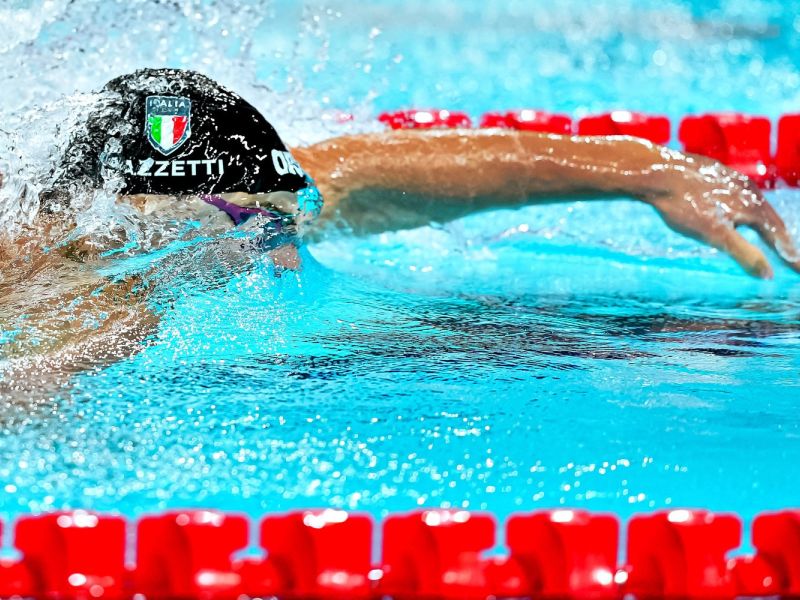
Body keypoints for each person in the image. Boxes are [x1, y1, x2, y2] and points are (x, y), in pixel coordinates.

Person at [1, 67, 799, 393]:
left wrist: (643, 170)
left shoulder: (234, 195)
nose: (280, 251)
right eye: (248, 226)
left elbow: (384, 171)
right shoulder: (72, 292)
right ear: (118, 224)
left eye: (280, 213)